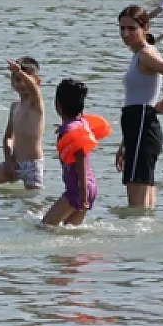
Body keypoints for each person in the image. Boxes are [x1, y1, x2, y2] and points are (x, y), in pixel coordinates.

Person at [115, 5, 163, 210]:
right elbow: (135, 98)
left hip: (142, 126)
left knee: (136, 206)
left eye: (131, 28)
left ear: (145, 27)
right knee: (144, 207)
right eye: (122, 28)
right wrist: (125, 143)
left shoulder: (146, 55)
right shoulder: (138, 55)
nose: (125, 34)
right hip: (137, 129)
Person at [42, 79, 113, 226]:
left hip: (78, 189)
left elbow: (80, 157)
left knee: (45, 226)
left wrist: (82, 194)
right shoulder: (80, 125)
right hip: (89, 187)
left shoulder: (71, 131)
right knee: (70, 231)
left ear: (58, 105)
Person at [0, 58, 46, 188]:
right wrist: (8, 160)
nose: (22, 83)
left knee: (32, 204)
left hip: (32, 165)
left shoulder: (35, 103)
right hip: (14, 162)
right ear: (12, 82)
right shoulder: (15, 107)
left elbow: (33, 88)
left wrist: (20, 73)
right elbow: (8, 137)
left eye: (25, 80)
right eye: (17, 80)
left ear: (38, 82)